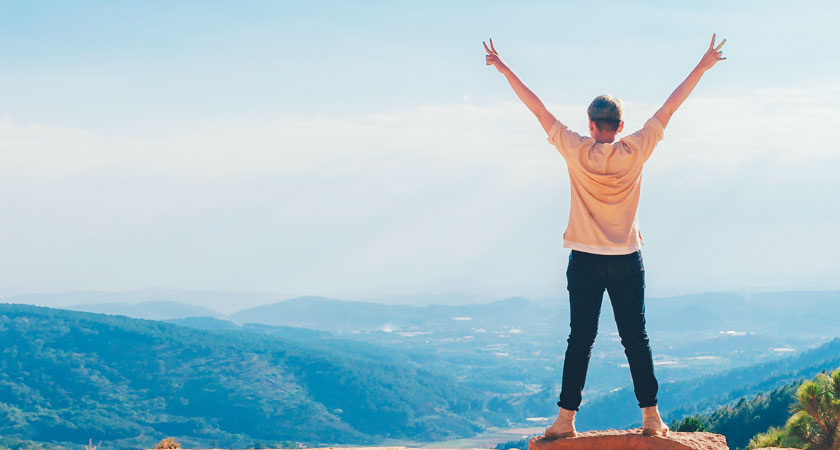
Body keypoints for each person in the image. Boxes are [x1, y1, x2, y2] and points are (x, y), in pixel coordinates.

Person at [483, 34, 727, 438]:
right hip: (627, 258)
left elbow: (537, 109)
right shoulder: (637, 148)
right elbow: (671, 105)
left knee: (580, 339)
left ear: (591, 125)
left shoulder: (575, 150)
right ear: (620, 126)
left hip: (585, 259)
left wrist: (505, 68)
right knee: (636, 338)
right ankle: (652, 418)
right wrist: (702, 65)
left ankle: (565, 420)